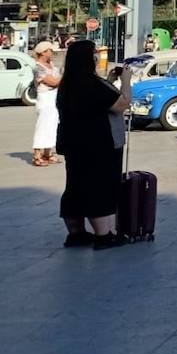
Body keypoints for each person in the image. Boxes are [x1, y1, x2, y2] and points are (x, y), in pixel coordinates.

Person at [55, 39, 130, 250]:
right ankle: (104, 236)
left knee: (75, 187)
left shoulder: (67, 84)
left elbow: (95, 102)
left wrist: (108, 80)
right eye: (94, 53)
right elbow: (122, 104)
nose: (98, 56)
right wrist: (126, 80)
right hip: (100, 144)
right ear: (88, 59)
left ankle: (76, 234)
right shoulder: (92, 85)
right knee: (100, 187)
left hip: (73, 145)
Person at [31, 40, 61, 167]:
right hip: (45, 98)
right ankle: (37, 155)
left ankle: (47, 153)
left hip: (54, 97)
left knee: (52, 126)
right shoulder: (38, 67)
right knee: (43, 125)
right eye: (50, 50)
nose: (52, 53)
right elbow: (53, 82)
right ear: (43, 52)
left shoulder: (52, 65)